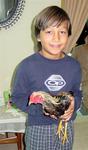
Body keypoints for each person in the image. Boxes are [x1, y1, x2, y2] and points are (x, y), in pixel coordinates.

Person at [11, 6, 82, 150]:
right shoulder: (26, 66)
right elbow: (17, 98)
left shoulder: (74, 66)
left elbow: (78, 92)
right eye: (49, 32)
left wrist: (74, 105)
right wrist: (41, 109)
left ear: (68, 35)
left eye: (62, 32)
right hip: (38, 126)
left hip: (66, 126)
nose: (56, 38)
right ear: (38, 36)